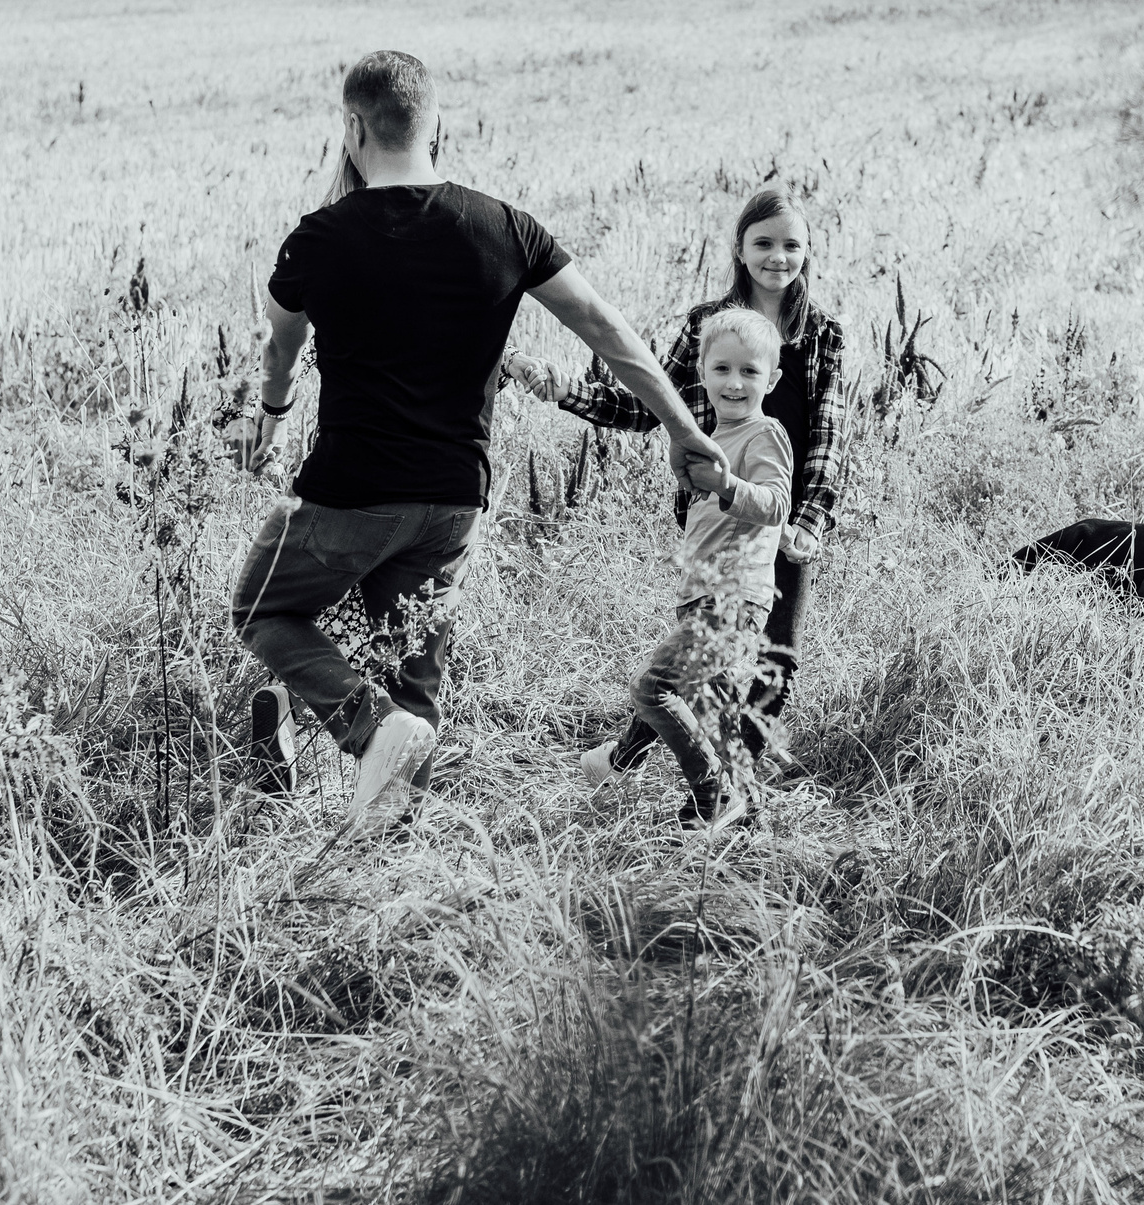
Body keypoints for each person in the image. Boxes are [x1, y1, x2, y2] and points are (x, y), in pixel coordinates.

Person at [237, 50, 724, 836]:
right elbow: (606, 327)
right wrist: (683, 426)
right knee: (416, 676)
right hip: (456, 498)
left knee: (261, 608)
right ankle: (393, 850)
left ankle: (365, 729)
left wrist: (274, 408)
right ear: (440, 126)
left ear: (353, 126)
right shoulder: (504, 226)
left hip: (350, 492)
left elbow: (280, 345)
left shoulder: (318, 238)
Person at [505, 186, 845, 774]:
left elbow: (828, 437)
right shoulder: (706, 327)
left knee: (775, 660)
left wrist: (809, 522)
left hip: (782, 522)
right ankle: (660, 769)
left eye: (792, 245)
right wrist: (570, 391)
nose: (777, 257)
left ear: (808, 253)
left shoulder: (821, 335)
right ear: (740, 249)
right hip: (714, 521)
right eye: (762, 243)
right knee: (698, 662)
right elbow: (651, 405)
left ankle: (719, 783)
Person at [609, 307, 794, 829]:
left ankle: (711, 794)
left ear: (772, 379)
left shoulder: (765, 433)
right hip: (702, 593)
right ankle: (749, 815)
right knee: (715, 713)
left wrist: (727, 485)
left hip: (734, 596)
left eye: (749, 372)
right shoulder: (706, 436)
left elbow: (777, 504)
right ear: (701, 372)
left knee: (653, 688)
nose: (734, 383)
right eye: (722, 369)